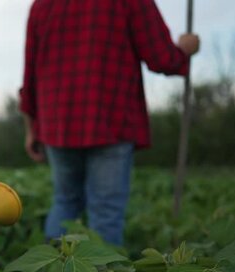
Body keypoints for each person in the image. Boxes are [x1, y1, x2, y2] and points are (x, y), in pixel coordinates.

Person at [19, 0, 200, 245]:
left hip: (57, 123)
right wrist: (185, 50)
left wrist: (31, 128)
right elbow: (162, 58)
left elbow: (29, 73)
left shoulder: (43, 5)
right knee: (106, 211)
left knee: (65, 201)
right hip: (111, 119)